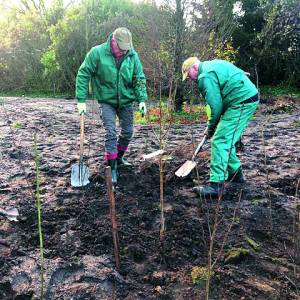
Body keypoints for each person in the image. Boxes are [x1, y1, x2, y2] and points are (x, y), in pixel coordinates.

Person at [76, 27, 148, 185]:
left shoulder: (132, 55)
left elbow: (138, 77)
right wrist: (81, 100)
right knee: (110, 132)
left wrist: (142, 99)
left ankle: (119, 157)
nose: (123, 51)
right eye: (121, 48)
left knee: (128, 132)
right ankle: (112, 167)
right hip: (106, 100)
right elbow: (83, 73)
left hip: (126, 100)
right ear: (113, 41)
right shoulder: (97, 53)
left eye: (126, 49)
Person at [182, 57, 259, 197]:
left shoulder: (205, 76)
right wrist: (212, 126)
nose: (189, 79)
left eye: (188, 75)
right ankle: (236, 174)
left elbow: (216, 107)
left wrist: (211, 129)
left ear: (193, 68)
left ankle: (216, 185)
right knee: (225, 138)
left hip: (241, 101)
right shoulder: (212, 65)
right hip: (241, 99)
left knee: (220, 140)